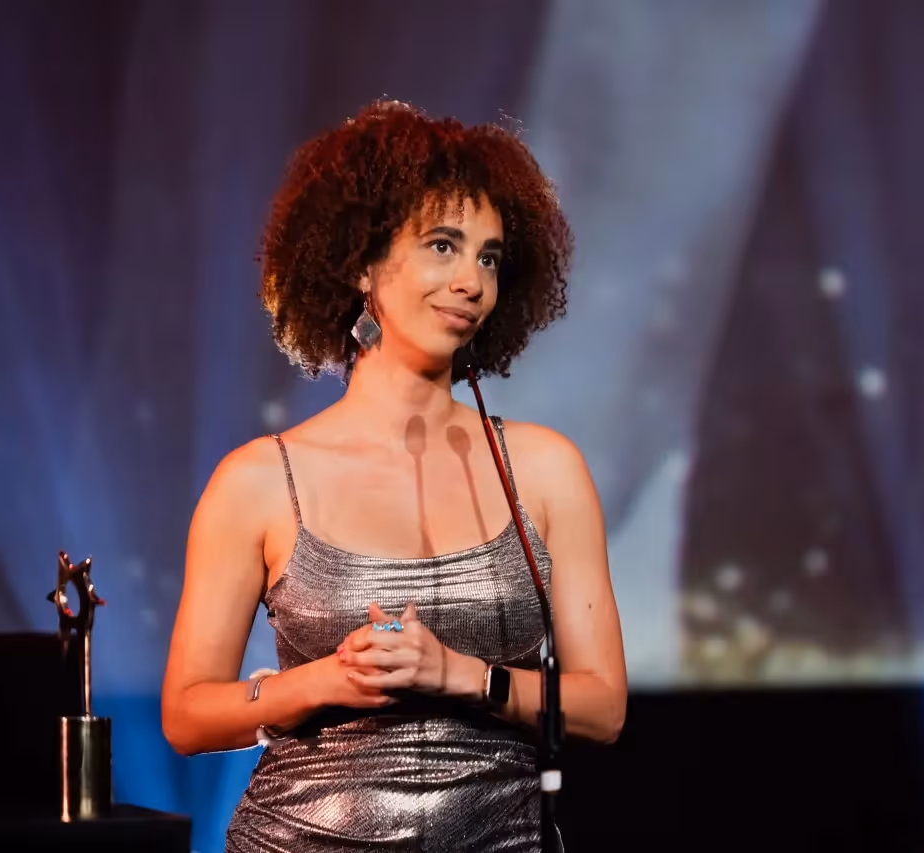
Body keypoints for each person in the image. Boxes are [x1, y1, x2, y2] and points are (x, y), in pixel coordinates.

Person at [161, 100, 627, 852]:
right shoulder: (259, 480)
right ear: (361, 263)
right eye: (443, 246)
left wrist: (464, 675)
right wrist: (325, 682)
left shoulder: (545, 469)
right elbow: (187, 716)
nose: (471, 281)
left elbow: (602, 709)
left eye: (489, 258)